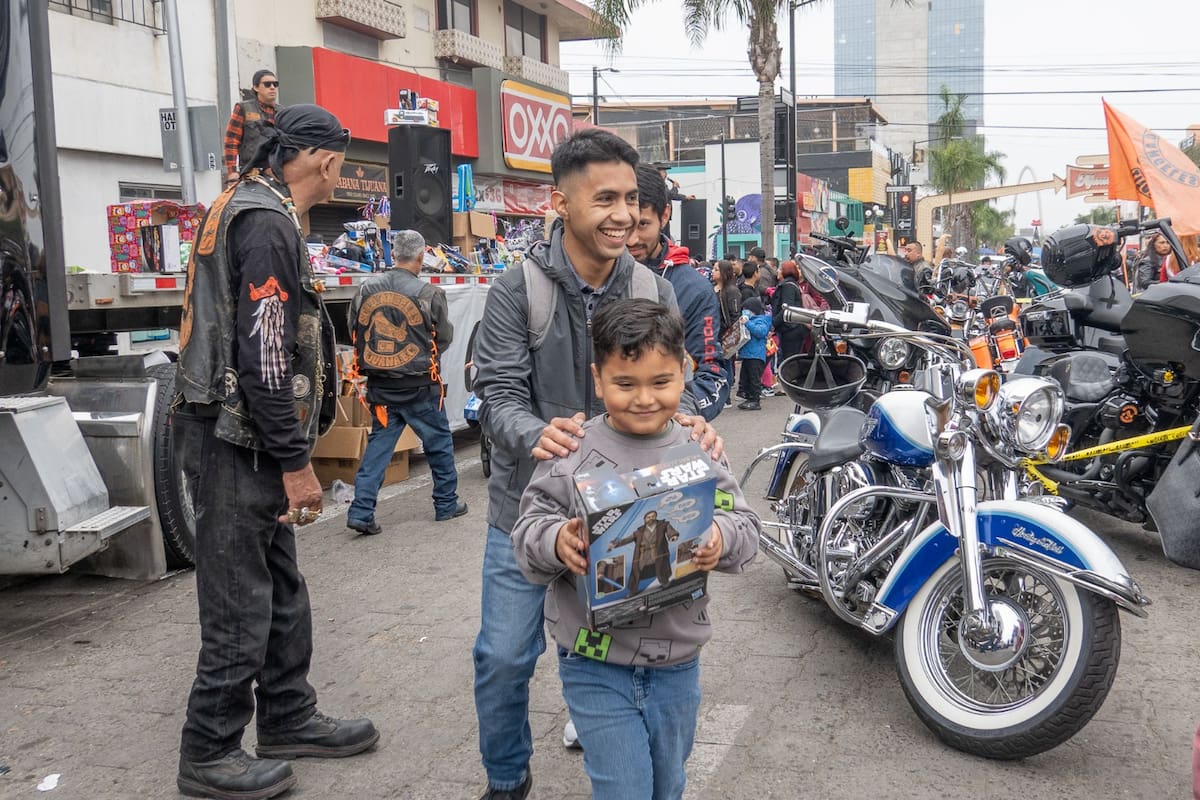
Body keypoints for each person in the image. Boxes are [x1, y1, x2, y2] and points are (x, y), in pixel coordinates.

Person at [470, 129, 721, 800]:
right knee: (503, 656)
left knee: (632, 647)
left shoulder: (653, 288)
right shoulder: (516, 289)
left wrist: (691, 418)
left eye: (631, 200)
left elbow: (677, 381)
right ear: (560, 202)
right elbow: (497, 396)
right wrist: (538, 434)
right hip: (531, 508)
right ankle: (506, 778)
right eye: (605, 198)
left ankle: (616, 739)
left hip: (632, 510)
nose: (623, 215)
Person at [175, 104, 377, 800]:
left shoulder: (251, 205)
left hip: (241, 434)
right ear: (324, 160)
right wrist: (297, 464)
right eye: (340, 165)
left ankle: (288, 715)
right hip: (236, 439)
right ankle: (208, 750)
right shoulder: (264, 223)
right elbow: (265, 358)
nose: (339, 175)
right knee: (239, 600)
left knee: (280, 586)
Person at [511, 298, 758, 800]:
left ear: (684, 372)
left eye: (661, 381)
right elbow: (526, 531)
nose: (644, 399)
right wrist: (558, 541)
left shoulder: (699, 449)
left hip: (676, 662)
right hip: (593, 661)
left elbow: (746, 527)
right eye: (625, 384)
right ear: (598, 380)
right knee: (624, 788)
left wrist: (718, 537)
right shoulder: (570, 450)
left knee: (668, 784)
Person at [345, 229, 467, 535]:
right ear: (422, 255)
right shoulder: (429, 294)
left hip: (381, 388)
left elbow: (353, 328)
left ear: (394, 253)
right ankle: (446, 504)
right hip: (420, 386)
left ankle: (361, 511)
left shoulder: (365, 289)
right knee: (438, 445)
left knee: (379, 447)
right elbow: (445, 337)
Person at [626, 163, 727, 420]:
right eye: (624, 225)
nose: (631, 239)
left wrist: (679, 417)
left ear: (665, 215)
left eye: (643, 224)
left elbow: (711, 375)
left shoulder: (694, 289)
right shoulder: (593, 274)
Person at [223, 69, 280, 189]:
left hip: (277, 173)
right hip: (250, 173)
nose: (272, 87)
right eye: (267, 84)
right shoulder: (244, 108)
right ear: (256, 87)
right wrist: (232, 172)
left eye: (275, 84)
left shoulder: (283, 113)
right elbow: (231, 141)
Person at [606, 509, 681, 597]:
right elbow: (628, 539)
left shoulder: (663, 525)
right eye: (648, 517)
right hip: (643, 555)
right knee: (636, 571)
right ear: (645, 519)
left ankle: (665, 583)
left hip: (658, 553)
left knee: (661, 568)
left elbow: (670, 531)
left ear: (656, 517)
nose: (651, 518)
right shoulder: (639, 531)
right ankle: (633, 590)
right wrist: (615, 544)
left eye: (653, 516)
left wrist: (673, 536)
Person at [771, 259, 829, 363]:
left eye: (781, 269)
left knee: (789, 361)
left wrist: (773, 323)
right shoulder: (792, 284)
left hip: (791, 330)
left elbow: (787, 308)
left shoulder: (788, 286)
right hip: (793, 328)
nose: (778, 271)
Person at [711, 259, 741, 405]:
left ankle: (726, 397)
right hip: (712, 332)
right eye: (713, 269)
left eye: (716, 269)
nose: (713, 272)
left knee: (726, 364)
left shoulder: (731, 291)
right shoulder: (711, 288)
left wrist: (731, 333)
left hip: (724, 334)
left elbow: (735, 315)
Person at [736, 296, 771, 410]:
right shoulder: (749, 321)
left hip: (756, 355)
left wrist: (748, 323)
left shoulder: (761, 320)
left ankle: (755, 400)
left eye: (746, 309)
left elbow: (760, 332)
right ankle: (748, 397)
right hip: (747, 355)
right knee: (745, 378)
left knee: (754, 379)